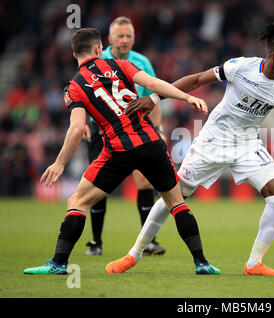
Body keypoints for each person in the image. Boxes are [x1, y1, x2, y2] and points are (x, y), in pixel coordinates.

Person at [106, 22, 274, 277]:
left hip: (248, 143)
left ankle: (254, 264)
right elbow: (196, 80)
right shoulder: (241, 67)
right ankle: (134, 254)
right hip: (214, 141)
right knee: (174, 196)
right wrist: (155, 98)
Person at [23, 28, 220, 275]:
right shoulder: (120, 65)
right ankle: (202, 263)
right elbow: (152, 84)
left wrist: (60, 163)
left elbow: (75, 130)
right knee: (176, 202)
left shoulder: (74, 87)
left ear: (74, 54)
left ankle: (59, 264)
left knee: (78, 201)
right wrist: (185, 96)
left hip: (117, 150)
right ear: (98, 48)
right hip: (150, 142)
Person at [84, 16, 165, 256]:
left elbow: (154, 96)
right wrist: (82, 122)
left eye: (129, 36)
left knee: (145, 182)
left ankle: (148, 241)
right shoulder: (96, 62)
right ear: (109, 39)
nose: (125, 40)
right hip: (102, 131)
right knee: (99, 187)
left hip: (136, 130)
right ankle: (96, 243)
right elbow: (83, 93)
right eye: (120, 36)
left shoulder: (142, 62)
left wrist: (158, 128)